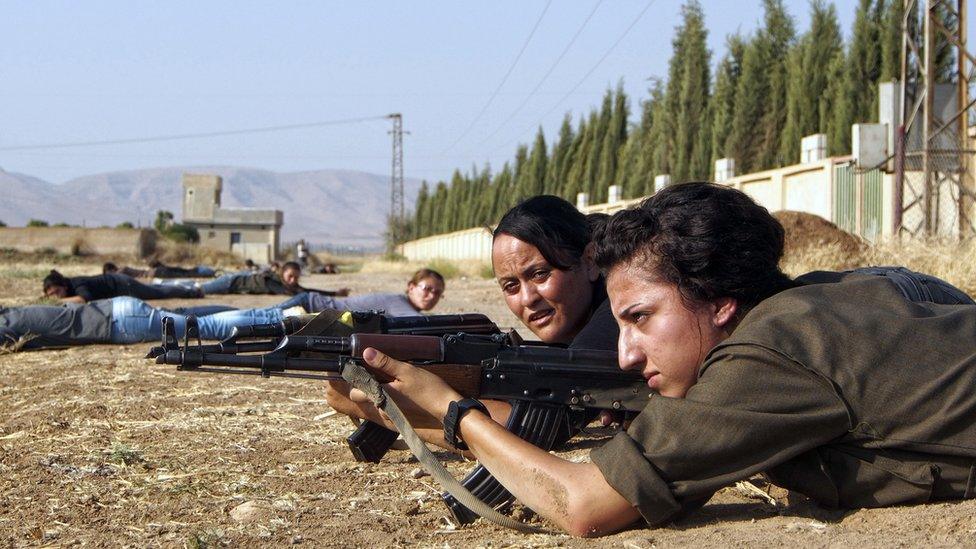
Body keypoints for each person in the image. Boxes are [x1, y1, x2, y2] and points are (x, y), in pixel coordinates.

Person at [337, 183, 976, 537]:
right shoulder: (812, 302)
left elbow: (580, 505)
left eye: (640, 318)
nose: (624, 352)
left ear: (721, 300)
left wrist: (453, 410)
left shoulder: (768, 357)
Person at [326, 195, 620, 450]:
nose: (528, 298)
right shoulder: (588, 317)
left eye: (540, 274)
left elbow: (530, 434)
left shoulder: (618, 308)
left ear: (590, 261)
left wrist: (388, 407)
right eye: (511, 286)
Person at [0, 296, 277, 350]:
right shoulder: (12, 312)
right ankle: (274, 317)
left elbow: (7, 341)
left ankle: (278, 320)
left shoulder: (5, 324)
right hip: (119, 310)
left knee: (206, 329)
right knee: (202, 323)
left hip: (122, 323)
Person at [278, 268, 446, 317]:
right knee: (256, 321)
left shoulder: (401, 304)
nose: (432, 296)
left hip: (310, 306)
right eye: (427, 289)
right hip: (309, 307)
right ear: (411, 287)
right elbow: (420, 323)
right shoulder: (398, 303)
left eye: (438, 293)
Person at [164, 261, 350, 297]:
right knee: (198, 291)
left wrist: (334, 293)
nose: (293, 280)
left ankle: (166, 284)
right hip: (230, 282)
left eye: (296, 277)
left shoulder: (286, 284)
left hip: (233, 284)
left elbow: (306, 291)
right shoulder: (274, 282)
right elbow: (302, 292)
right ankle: (165, 285)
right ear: (282, 274)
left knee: (197, 288)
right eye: (290, 276)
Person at [43, 270, 202, 303]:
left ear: (63, 285)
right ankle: (188, 287)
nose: (57, 296)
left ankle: (192, 292)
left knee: (157, 293)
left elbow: (84, 299)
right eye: (51, 295)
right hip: (119, 284)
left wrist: (56, 303)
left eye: (57, 292)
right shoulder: (69, 287)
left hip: (122, 285)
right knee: (156, 290)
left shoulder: (76, 284)